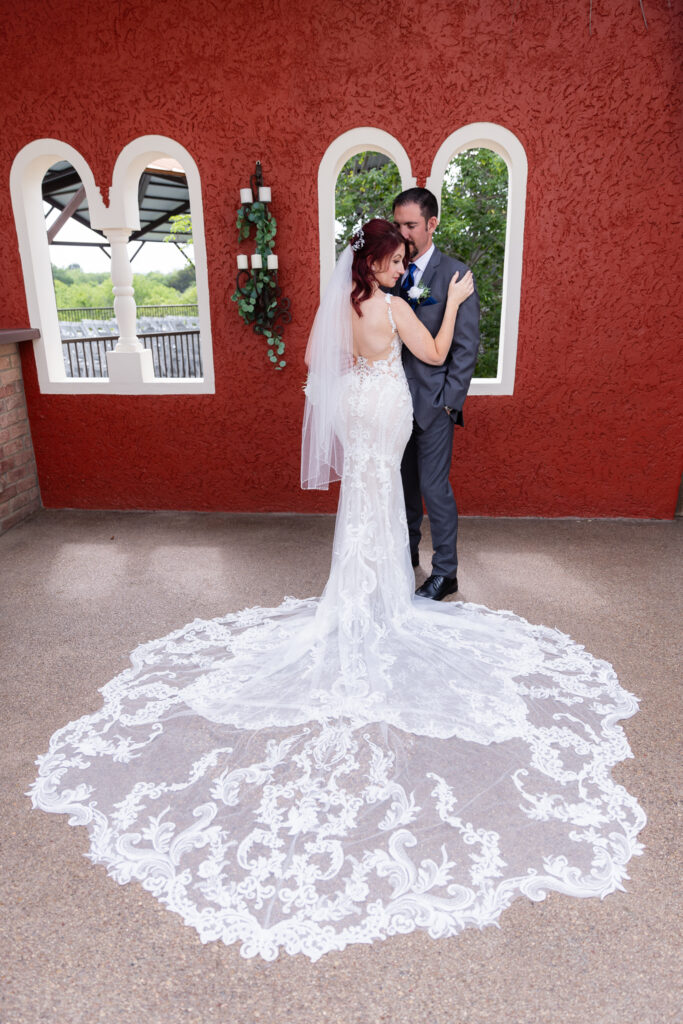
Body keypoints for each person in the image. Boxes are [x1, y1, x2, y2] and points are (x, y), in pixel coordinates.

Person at [30, 220, 645, 964]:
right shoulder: (388, 307)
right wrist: (451, 300)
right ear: (376, 262)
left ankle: (358, 593)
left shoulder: (344, 307)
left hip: (358, 409)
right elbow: (437, 352)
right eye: (392, 260)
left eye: (398, 260)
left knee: (365, 499)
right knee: (383, 498)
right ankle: (380, 600)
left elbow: (327, 373)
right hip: (383, 411)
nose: (396, 268)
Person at [393, 187, 480, 601]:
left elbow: (465, 348)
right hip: (394, 402)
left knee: (434, 487)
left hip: (434, 405)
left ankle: (446, 572)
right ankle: (406, 553)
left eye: (410, 225)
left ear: (432, 224)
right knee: (404, 485)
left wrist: (449, 402)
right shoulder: (392, 271)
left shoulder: (455, 275)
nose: (403, 233)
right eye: (398, 225)